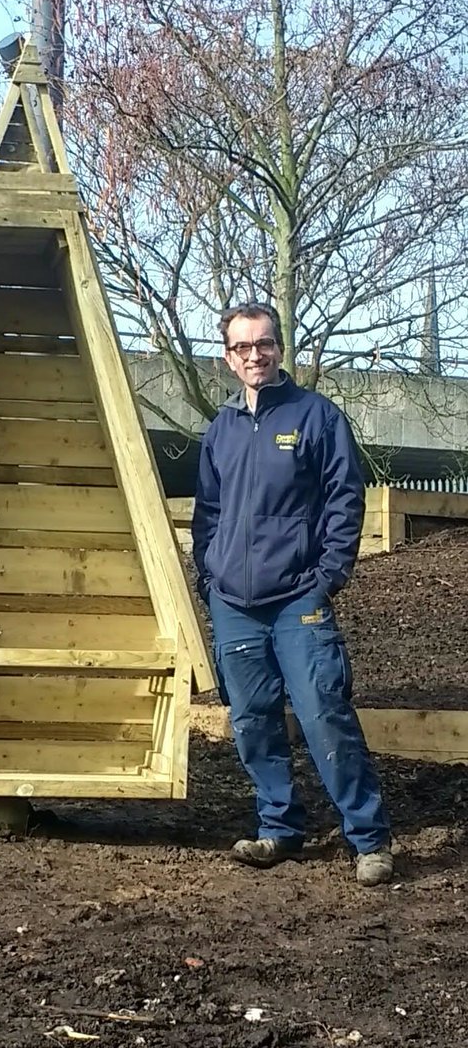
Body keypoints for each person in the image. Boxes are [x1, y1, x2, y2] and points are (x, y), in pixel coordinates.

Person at [192, 302, 393, 887]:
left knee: (324, 713)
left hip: (298, 597)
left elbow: (343, 500)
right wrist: (208, 577)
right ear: (227, 358)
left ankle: (369, 839)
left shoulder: (317, 417)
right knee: (252, 720)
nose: (255, 355)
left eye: (265, 344)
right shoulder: (220, 429)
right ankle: (279, 827)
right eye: (242, 348)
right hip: (233, 601)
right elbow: (207, 511)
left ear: (280, 348)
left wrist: (328, 574)